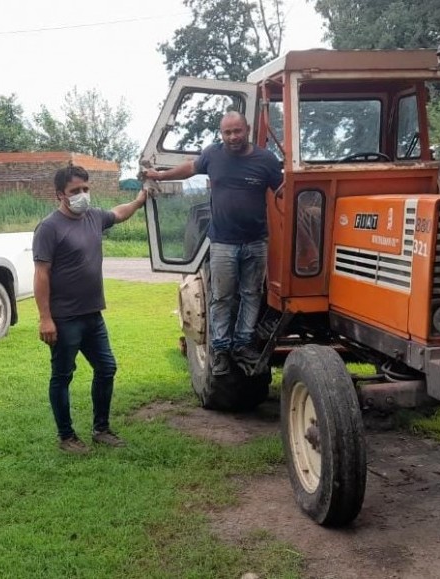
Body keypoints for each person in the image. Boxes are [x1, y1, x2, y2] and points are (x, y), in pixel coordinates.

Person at [142, 111, 282, 376]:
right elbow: (189, 168)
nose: (232, 137)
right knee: (222, 297)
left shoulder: (265, 159)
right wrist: (160, 176)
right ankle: (220, 350)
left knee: (252, 294)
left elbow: (283, 190)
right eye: (227, 132)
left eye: (237, 131)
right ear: (221, 134)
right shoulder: (213, 154)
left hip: (256, 242)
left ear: (247, 129)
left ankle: (242, 344)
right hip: (223, 243)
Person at [33, 163, 147, 454]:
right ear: (60, 194)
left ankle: (101, 429)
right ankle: (67, 437)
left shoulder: (94, 217)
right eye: (75, 191)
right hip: (64, 318)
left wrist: (138, 201)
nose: (82, 195)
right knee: (62, 376)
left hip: (93, 315)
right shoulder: (49, 228)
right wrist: (46, 318)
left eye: (85, 189)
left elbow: (119, 213)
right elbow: (41, 274)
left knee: (106, 368)